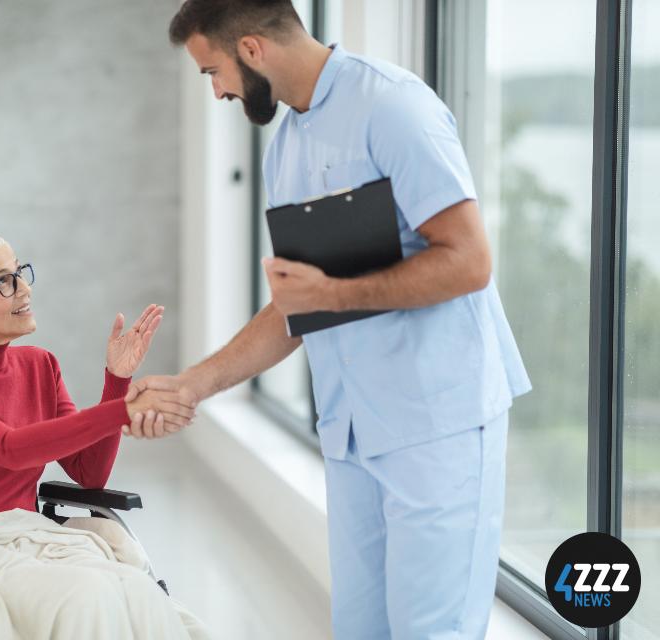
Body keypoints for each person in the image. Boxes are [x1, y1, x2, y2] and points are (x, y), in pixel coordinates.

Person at [125, 1, 532, 638]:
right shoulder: (285, 147)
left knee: (433, 631)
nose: (218, 91)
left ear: (252, 50)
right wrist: (189, 386)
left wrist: (334, 295)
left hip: (437, 427)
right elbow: (298, 306)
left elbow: (470, 261)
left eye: (213, 72)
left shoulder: (395, 107)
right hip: (352, 435)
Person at [0, 229, 195, 548]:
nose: (24, 289)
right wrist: (124, 411)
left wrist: (117, 379)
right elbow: (8, 450)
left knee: (121, 558)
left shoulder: (41, 365)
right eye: (3, 282)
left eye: (19, 273)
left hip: (24, 537)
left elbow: (89, 473)